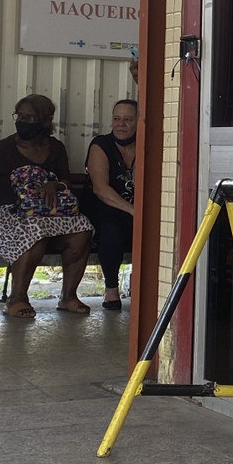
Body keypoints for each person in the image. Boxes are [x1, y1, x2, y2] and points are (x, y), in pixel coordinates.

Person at [0, 94, 94, 318]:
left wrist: (55, 185)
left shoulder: (56, 148)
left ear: (45, 121)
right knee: (35, 233)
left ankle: (68, 296)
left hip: (47, 214)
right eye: (19, 116)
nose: (22, 121)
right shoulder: (4, 149)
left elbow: (65, 181)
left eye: (29, 118)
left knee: (82, 230)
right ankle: (16, 300)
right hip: (5, 213)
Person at [85, 99, 137, 311]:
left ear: (138, 122)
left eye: (127, 119)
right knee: (111, 228)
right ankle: (111, 289)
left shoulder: (145, 144)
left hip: (133, 209)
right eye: (116, 119)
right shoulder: (101, 145)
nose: (120, 124)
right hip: (103, 206)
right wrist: (134, 211)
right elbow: (100, 189)